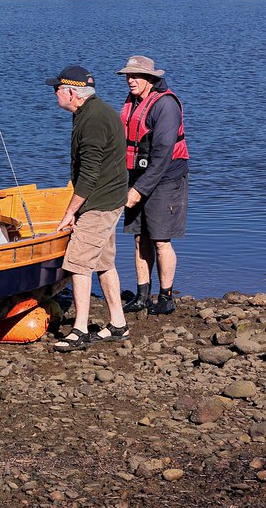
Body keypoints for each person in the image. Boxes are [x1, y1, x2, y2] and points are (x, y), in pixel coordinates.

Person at [46, 65, 129, 351]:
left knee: (78, 262)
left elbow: (89, 173)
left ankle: (80, 329)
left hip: (100, 202)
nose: (55, 93)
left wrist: (70, 212)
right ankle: (118, 323)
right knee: (104, 262)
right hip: (109, 197)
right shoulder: (92, 112)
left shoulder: (93, 119)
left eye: (57, 89)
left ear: (72, 93)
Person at [117, 55, 190, 316]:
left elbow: (162, 156)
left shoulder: (166, 106)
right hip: (138, 175)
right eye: (128, 75)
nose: (130, 80)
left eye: (136, 76)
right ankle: (141, 295)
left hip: (166, 179)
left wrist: (138, 191)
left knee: (160, 240)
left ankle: (166, 297)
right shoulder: (134, 101)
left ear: (151, 78)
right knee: (140, 238)